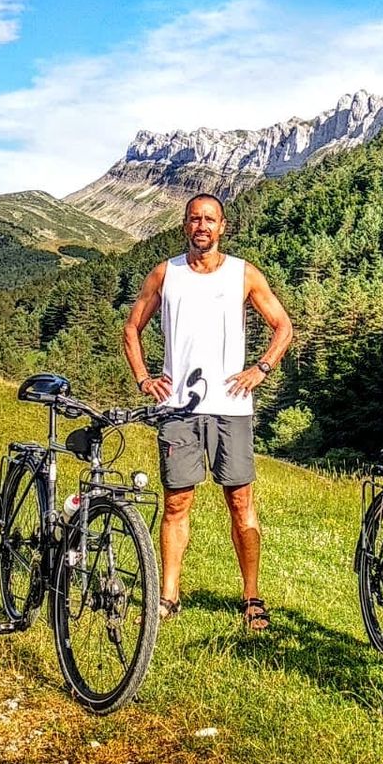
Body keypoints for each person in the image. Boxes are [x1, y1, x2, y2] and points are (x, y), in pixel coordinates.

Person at [122, 193, 294, 632]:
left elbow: (283, 326)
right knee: (177, 501)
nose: (202, 226)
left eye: (210, 219)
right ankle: (168, 596)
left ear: (223, 227)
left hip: (231, 408)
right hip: (177, 408)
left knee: (241, 503)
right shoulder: (166, 274)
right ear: (185, 226)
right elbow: (132, 327)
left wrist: (262, 368)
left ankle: (252, 597)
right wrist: (145, 379)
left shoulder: (244, 275)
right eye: (195, 219)